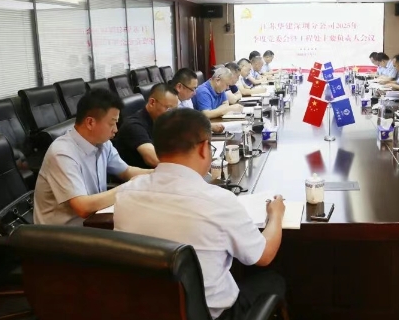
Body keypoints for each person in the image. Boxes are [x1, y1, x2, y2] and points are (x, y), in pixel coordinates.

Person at [113, 109, 286, 319]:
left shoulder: (125, 194)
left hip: (145, 310)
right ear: (204, 148)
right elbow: (264, 256)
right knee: (273, 280)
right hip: (211, 315)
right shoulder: (219, 202)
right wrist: (276, 214)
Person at [34, 89, 152, 225]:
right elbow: (83, 207)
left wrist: (159, 172)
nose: (115, 129)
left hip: (94, 220)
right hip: (63, 232)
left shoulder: (103, 143)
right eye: (112, 123)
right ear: (90, 123)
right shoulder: (62, 153)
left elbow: (126, 171)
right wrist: (130, 187)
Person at [114, 83, 179, 169]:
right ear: (152, 102)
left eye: (175, 110)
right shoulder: (134, 126)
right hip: (138, 175)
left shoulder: (161, 121)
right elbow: (153, 159)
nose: (173, 114)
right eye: (169, 109)